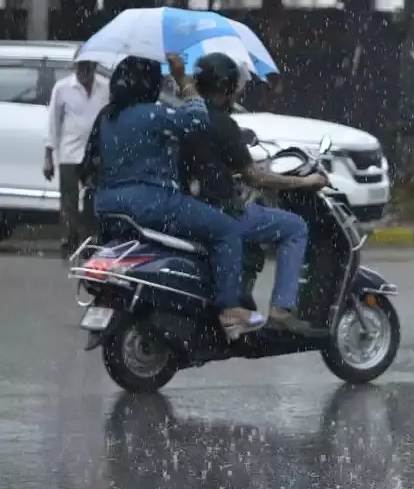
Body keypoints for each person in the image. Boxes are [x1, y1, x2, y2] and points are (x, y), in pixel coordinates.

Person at [92, 54, 264, 339]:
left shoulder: (109, 117)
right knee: (227, 231)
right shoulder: (150, 113)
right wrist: (183, 78)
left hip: (109, 203)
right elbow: (197, 119)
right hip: (151, 203)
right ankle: (230, 310)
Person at [179, 53, 328, 334]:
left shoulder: (187, 116)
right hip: (221, 212)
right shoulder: (223, 123)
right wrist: (305, 182)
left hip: (191, 207)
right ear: (226, 87)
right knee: (294, 227)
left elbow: (212, 162)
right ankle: (281, 310)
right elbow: (255, 176)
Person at [44, 53, 109, 254]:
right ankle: (69, 240)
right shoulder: (63, 88)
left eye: (88, 67)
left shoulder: (105, 88)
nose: (83, 72)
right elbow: (53, 122)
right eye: (80, 67)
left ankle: (90, 241)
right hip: (70, 152)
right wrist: (48, 156)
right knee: (69, 200)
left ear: (95, 67)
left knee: (92, 198)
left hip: (96, 153)